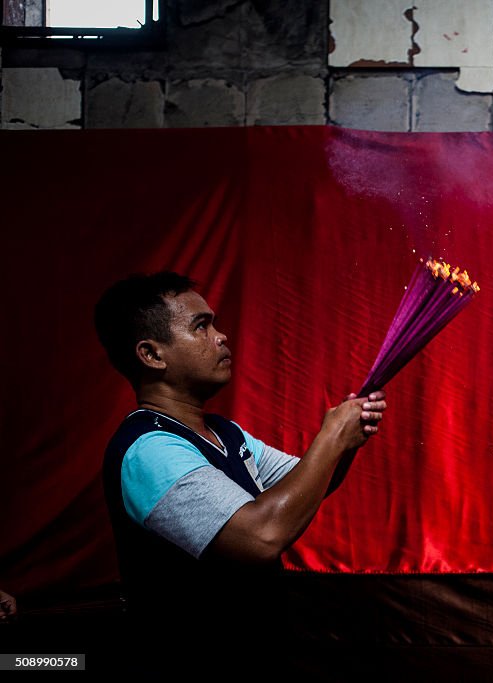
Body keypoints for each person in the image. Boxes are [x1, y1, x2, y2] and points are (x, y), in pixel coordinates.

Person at [93, 271, 386, 673]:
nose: (221, 336)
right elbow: (263, 536)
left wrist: (347, 441)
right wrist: (331, 438)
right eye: (201, 326)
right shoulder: (150, 449)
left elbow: (308, 483)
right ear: (152, 355)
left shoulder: (225, 432)